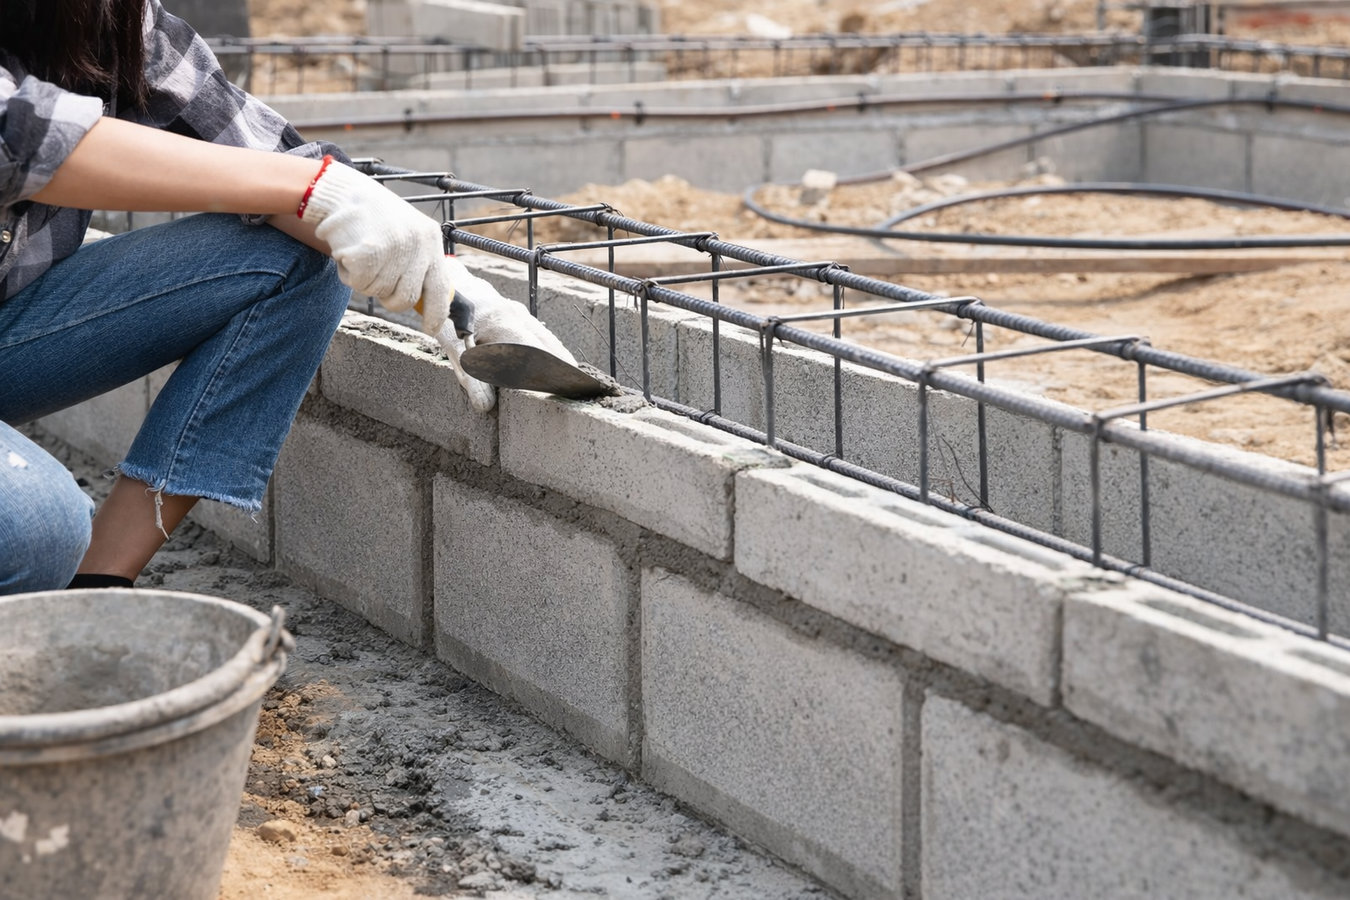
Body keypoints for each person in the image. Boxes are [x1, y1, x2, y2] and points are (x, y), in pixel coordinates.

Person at [0, 0, 554, 594]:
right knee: (38, 529)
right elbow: (18, 134)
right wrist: (311, 189)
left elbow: (253, 150)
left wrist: (440, 281)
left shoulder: (106, 15)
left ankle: (95, 592)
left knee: (299, 258)